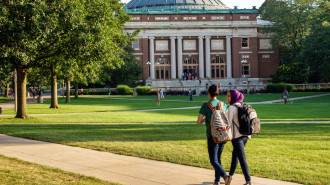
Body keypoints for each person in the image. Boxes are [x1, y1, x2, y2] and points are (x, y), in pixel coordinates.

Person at [196, 84, 231, 185]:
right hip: (223, 134)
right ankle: (217, 180)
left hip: (212, 135)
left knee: (213, 160)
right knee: (218, 159)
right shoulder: (223, 104)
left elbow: (198, 122)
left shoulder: (206, 105)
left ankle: (225, 176)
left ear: (208, 93)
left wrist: (205, 119)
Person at [226, 89, 252, 185]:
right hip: (245, 135)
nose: (227, 97)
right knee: (235, 155)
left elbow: (227, 124)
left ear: (233, 97)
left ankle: (248, 181)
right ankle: (230, 176)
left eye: (229, 96)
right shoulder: (242, 105)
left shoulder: (231, 108)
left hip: (237, 137)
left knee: (241, 158)